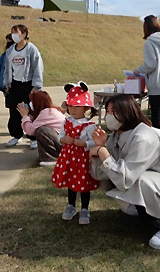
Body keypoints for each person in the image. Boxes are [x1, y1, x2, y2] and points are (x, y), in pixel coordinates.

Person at [89, 94, 160, 249]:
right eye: (107, 111)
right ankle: (150, 212)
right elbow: (103, 175)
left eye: (113, 111)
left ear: (127, 111)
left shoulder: (144, 137)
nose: (108, 116)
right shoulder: (116, 137)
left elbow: (124, 178)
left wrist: (102, 151)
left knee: (140, 179)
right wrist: (96, 157)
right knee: (119, 177)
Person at [51, 82, 99, 225]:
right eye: (71, 106)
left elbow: (95, 142)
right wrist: (63, 139)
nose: (73, 109)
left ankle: (85, 208)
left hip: (83, 159)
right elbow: (60, 136)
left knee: (83, 183)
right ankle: (71, 205)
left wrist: (85, 144)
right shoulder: (66, 122)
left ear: (86, 108)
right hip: (69, 158)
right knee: (71, 182)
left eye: (77, 106)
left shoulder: (90, 126)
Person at [3, 24, 44, 149]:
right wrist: (7, 83)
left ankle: (32, 137)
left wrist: (36, 86)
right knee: (14, 111)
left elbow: (38, 68)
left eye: (16, 32)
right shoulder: (10, 51)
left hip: (28, 84)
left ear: (24, 34)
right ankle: (16, 135)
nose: (13, 35)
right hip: (15, 84)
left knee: (30, 111)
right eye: (12, 33)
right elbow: (7, 69)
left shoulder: (31, 49)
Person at [134, 15, 160, 132]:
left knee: (157, 116)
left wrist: (137, 71)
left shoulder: (150, 42)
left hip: (157, 83)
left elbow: (150, 65)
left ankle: (159, 142)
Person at [17, 90, 65, 166]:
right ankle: (52, 156)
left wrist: (25, 116)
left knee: (41, 131)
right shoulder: (49, 110)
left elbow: (30, 130)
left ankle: (51, 158)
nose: (31, 103)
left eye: (32, 101)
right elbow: (35, 123)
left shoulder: (46, 112)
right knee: (41, 130)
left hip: (64, 144)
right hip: (63, 142)